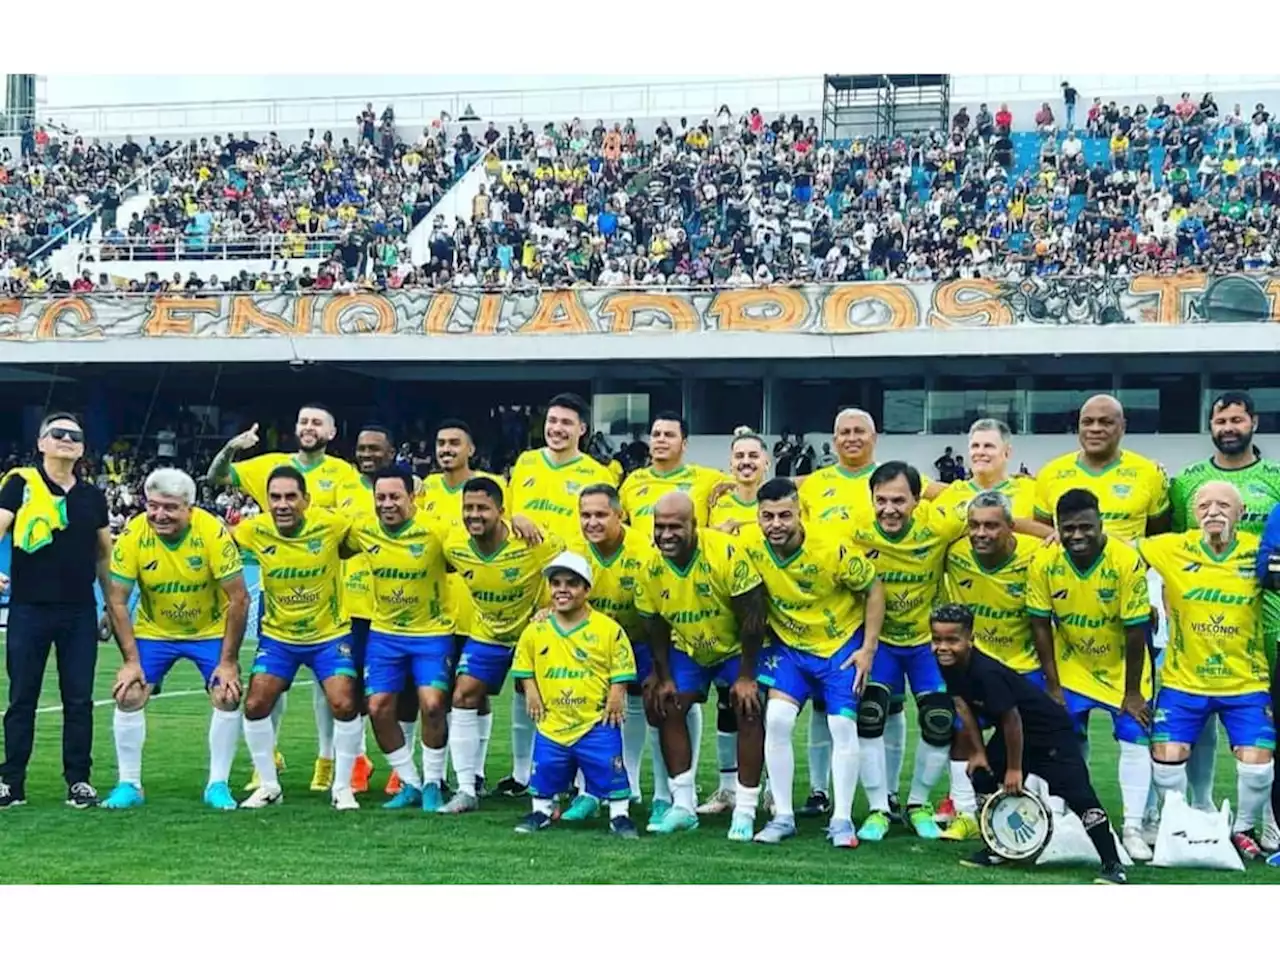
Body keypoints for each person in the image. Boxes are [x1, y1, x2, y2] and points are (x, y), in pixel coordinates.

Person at [206, 404, 361, 794]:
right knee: (266, 691)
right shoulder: (268, 465)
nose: (308, 427)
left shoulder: (344, 474)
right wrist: (231, 448)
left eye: (317, 422)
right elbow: (217, 477)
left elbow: (353, 528)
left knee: (332, 691)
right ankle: (267, 764)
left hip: (325, 594)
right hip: (278, 593)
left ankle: (327, 760)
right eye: (304, 421)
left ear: (332, 432)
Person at [931, 604, 1128, 885]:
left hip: (1050, 734)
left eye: (952, 640)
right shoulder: (948, 664)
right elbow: (963, 707)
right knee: (981, 773)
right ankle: (998, 846)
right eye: (936, 639)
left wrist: (1014, 770)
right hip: (1016, 734)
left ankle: (1112, 864)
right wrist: (977, 752)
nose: (942, 647)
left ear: (970, 639)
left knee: (1082, 798)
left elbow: (1013, 720)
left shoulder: (986, 673)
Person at [746, 478, 884, 848]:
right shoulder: (749, 546)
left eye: (785, 515)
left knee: (842, 726)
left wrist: (868, 648)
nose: (776, 524)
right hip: (790, 648)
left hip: (839, 646)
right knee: (776, 720)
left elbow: (874, 588)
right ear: (757, 518)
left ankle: (842, 820)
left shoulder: (832, 549)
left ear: (800, 513)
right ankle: (783, 816)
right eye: (767, 516)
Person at [102, 468, 250, 811]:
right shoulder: (134, 532)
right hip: (155, 631)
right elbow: (117, 599)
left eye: (170, 507)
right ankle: (129, 784)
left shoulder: (211, 530)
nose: (159, 515)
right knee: (129, 693)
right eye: (153, 506)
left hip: (209, 631)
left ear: (190, 508)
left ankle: (217, 784)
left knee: (227, 695)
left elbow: (239, 598)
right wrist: (130, 662)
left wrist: (228, 663)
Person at [1143, 481, 1274, 861]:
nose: (1212, 512)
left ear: (1241, 511)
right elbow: (1117, 547)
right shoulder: (1170, 546)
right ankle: (1182, 825)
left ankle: (1243, 829)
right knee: (1166, 761)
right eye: (1203, 505)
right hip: (1185, 682)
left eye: (1223, 505)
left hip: (1246, 682)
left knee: (1257, 768)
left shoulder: (1259, 552)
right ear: (1193, 512)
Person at [1027, 488, 1155, 862]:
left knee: (1134, 737)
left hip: (1123, 668)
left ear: (1101, 524)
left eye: (1086, 527)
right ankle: (1062, 817)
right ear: (1057, 528)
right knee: (1063, 736)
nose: (1077, 535)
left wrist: (1132, 693)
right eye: (1068, 528)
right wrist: (1052, 686)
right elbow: (1040, 626)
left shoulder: (1125, 560)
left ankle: (1131, 826)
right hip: (1073, 664)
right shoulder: (1045, 561)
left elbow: (1136, 630)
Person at [1170, 391, 1280, 821]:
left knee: (1264, 718)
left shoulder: (1275, 476)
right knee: (1199, 717)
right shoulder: (1187, 481)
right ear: (1210, 427)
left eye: (1237, 420)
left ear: (1253, 422)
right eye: (1221, 422)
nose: (1229, 428)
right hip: (1201, 622)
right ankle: (1199, 806)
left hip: (1267, 620)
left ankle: (1267, 817)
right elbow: (1177, 550)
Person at [232, 466, 364, 811]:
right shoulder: (253, 531)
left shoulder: (331, 525)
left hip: (329, 635)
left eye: (291, 496)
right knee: (256, 703)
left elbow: (366, 532)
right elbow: (217, 542)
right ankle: (268, 784)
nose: (282, 504)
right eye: (275, 497)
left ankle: (343, 786)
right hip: (279, 637)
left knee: (344, 703)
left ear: (306, 500)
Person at [844, 462, 963, 841]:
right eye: (881, 500)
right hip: (881, 645)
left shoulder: (939, 527)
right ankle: (880, 808)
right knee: (871, 714)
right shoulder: (855, 531)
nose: (889, 509)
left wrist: (1049, 535)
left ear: (917, 500)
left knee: (941, 718)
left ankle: (918, 803)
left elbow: (991, 511)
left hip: (926, 645)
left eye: (899, 500)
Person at [639, 492, 767, 839]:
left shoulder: (726, 552)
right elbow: (656, 626)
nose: (666, 534)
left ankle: (745, 807)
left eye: (675, 526)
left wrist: (745, 675)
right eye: (659, 526)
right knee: (667, 703)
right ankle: (682, 805)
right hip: (691, 648)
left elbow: (753, 618)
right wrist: (663, 676)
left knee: (748, 705)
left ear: (694, 525)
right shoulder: (650, 567)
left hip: (736, 648)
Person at [0, 413, 111, 809]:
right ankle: (11, 782)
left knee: (79, 699)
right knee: (22, 698)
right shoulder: (20, 484)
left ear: (82, 449)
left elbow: (104, 557)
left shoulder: (92, 497)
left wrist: (112, 608)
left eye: (74, 436)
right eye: (57, 433)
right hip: (29, 609)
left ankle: (78, 781)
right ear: (41, 443)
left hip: (79, 611)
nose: (66, 440)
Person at [504, 393, 612, 795]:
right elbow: (510, 510)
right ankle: (521, 774)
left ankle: (584, 777)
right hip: (524, 586)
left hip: (567, 590)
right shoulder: (526, 463)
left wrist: (566, 592)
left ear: (582, 429)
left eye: (567, 422)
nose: (557, 428)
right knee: (526, 679)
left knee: (577, 681)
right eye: (552, 421)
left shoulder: (595, 472)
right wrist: (515, 514)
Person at [437, 477, 564, 813]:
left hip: (532, 634)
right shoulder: (455, 545)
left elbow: (572, 568)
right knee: (463, 694)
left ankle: (546, 784)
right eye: (468, 508)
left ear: (501, 512)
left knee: (545, 704)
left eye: (482, 508)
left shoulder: (533, 541)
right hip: (488, 634)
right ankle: (466, 788)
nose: (474, 515)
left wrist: (553, 606)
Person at [940, 491, 1055, 841]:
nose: (981, 533)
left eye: (991, 525)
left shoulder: (1038, 554)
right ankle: (966, 813)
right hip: (975, 669)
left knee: (1035, 736)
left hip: (1022, 667)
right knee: (959, 730)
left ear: (1010, 528)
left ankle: (1036, 811)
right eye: (974, 525)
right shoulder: (954, 554)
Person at [408, 418, 508, 798]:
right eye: (440, 443)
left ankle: (475, 772)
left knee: (474, 693)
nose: (446, 449)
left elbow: (509, 528)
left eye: (454, 443)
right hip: (435, 611)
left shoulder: (490, 487)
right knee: (439, 693)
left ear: (471, 450)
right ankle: (441, 772)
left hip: (477, 609)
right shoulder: (424, 489)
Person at [344, 466, 453, 812]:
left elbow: (474, 549)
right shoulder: (363, 530)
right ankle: (411, 782)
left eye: (395, 497)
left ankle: (434, 781)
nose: (387, 504)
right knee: (376, 707)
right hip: (385, 635)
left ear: (412, 498)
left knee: (433, 704)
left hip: (432, 633)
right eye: (381, 497)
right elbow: (331, 540)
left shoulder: (436, 531)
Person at [511, 551, 638, 838]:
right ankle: (541, 810)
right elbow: (524, 664)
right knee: (545, 768)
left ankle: (619, 816)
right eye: (556, 583)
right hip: (552, 720)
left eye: (571, 583)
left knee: (610, 766)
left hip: (595, 720)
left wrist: (617, 693)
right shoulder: (537, 629)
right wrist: (531, 691)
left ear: (586, 589)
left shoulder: (607, 628)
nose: (562, 590)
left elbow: (621, 665)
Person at [560, 483, 657, 819]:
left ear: (620, 515)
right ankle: (589, 790)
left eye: (601, 514)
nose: (592, 522)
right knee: (587, 707)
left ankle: (657, 794)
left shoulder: (643, 550)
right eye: (585, 515)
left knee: (657, 705)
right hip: (595, 643)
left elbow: (657, 611)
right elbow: (563, 600)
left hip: (642, 637)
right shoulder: (574, 552)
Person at [701, 426, 772, 814]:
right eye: (739, 457)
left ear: (766, 462)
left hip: (772, 620)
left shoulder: (780, 502)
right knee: (728, 706)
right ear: (730, 464)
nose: (746, 462)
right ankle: (728, 789)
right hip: (726, 621)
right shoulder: (717, 503)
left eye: (753, 456)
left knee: (770, 708)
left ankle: (772, 788)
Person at [1034, 394, 1171, 542]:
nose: (1095, 429)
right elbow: (1041, 531)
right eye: (1087, 422)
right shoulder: (1050, 472)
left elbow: (1160, 536)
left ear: (1122, 427)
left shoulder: (1149, 472)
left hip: (1128, 563)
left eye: (1106, 422)